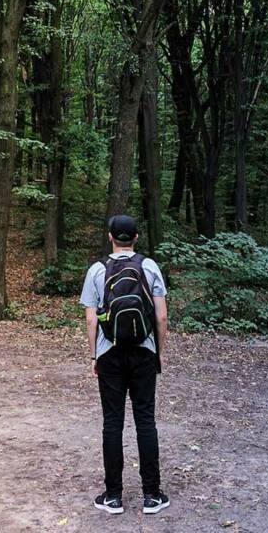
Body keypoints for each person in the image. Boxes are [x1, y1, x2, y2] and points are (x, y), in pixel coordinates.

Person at [80, 215, 170, 515]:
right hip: (144, 352)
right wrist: (158, 352)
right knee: (145, 420)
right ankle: (152, 496)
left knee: (112, 422)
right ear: (136, 237)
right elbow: (161, 317)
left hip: (110, 354)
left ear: (110, 237)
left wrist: (95, 355)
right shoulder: (149, 266)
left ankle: (113, 496)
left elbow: (91, 318)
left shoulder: (97, 270)